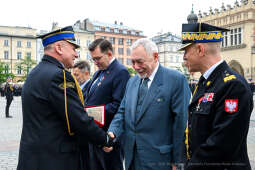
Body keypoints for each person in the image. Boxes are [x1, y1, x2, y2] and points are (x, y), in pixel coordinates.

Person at [17, 26, 115, 170]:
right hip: (55, 159)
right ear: (59, 48)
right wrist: (105, 139)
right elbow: (77, 119)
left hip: (33, 157)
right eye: (73, 49)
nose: (76, 55)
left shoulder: (35, 72)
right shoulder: (59, 76)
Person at [107, 38, 191, 170]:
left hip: (161, 161)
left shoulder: (176, 80)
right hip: (131, 160)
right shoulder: (132, 82)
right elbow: (122, 112)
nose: (135, 67)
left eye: (140, 62)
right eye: (132, 62)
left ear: (155, 56)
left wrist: (178, 162)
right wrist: (112, 133)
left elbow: (181, 123)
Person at [179, 22, 253, 170]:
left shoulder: (233, 86)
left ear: (200, 49)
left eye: (186, 51)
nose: (184, 57)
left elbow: (221, 145)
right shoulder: (205, 82)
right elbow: (191, 131)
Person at [84, 38, 130, 170]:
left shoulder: (121, 72)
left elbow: (118, 105)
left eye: (98, 58)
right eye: (93, 59)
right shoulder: (99, 72)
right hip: (96, 133)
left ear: (109, 54)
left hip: (110, 136)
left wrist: (90, 113)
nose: (95, 62)